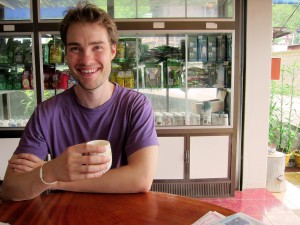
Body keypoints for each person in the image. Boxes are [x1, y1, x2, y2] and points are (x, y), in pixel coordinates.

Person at [0, 1, 159, 201]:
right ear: (66, 54)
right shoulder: (47, 113)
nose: (86, 60)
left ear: (112, 51)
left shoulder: (135, 106)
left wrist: (55, 177)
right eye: (76, 49)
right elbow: (10, 188)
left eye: (97, 47)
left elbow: (141, 179)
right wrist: (51, 170)